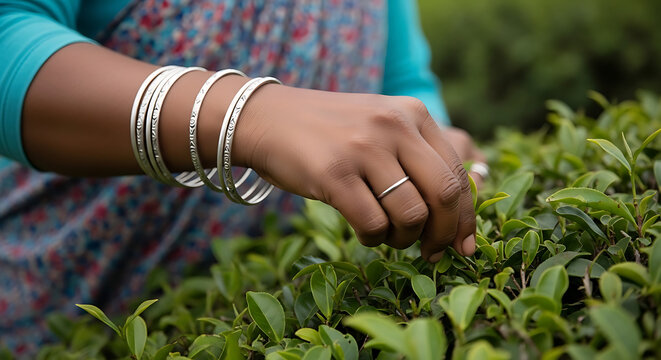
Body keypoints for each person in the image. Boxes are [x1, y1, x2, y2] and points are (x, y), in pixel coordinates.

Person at [0, 0, 486, 355]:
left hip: (269, 314)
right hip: (56, 318)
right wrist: (249, 115)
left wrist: (428, 144)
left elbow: (401, 80)